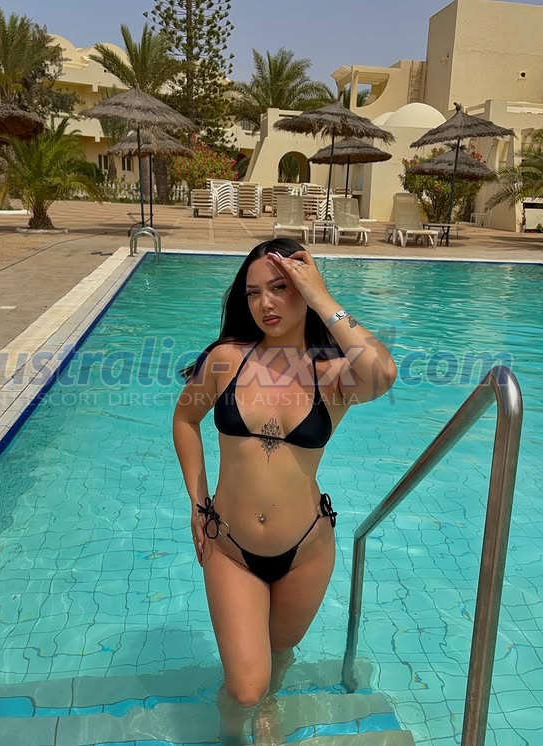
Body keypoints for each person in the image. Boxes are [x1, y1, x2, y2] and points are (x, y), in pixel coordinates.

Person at [172, 238, 397, 744]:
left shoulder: (333, 375)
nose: (265, 303)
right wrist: (197, 501)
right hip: (231, 548)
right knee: (243, 688)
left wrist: (320, 294)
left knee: (277, 655)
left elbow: (383, 373)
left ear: (304, 287)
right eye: (253, 293)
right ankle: (232, 734)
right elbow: (185, 420)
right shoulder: (227, 360)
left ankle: (271, 703)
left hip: (306, 551)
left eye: (280, 287)